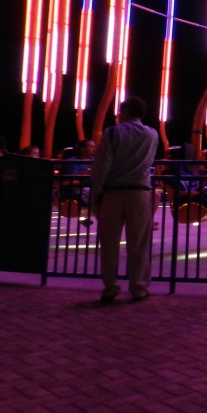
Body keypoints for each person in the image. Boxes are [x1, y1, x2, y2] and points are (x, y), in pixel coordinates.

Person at [90, 96, 160, 303]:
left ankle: (111, 287)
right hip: (140, 192)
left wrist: (97, 193)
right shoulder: (152, 134)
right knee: (138, 243)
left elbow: (102, 165)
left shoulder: (112, 133)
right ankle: (138, 287)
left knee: (109, 243)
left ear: (126, 111)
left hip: (113, 192)